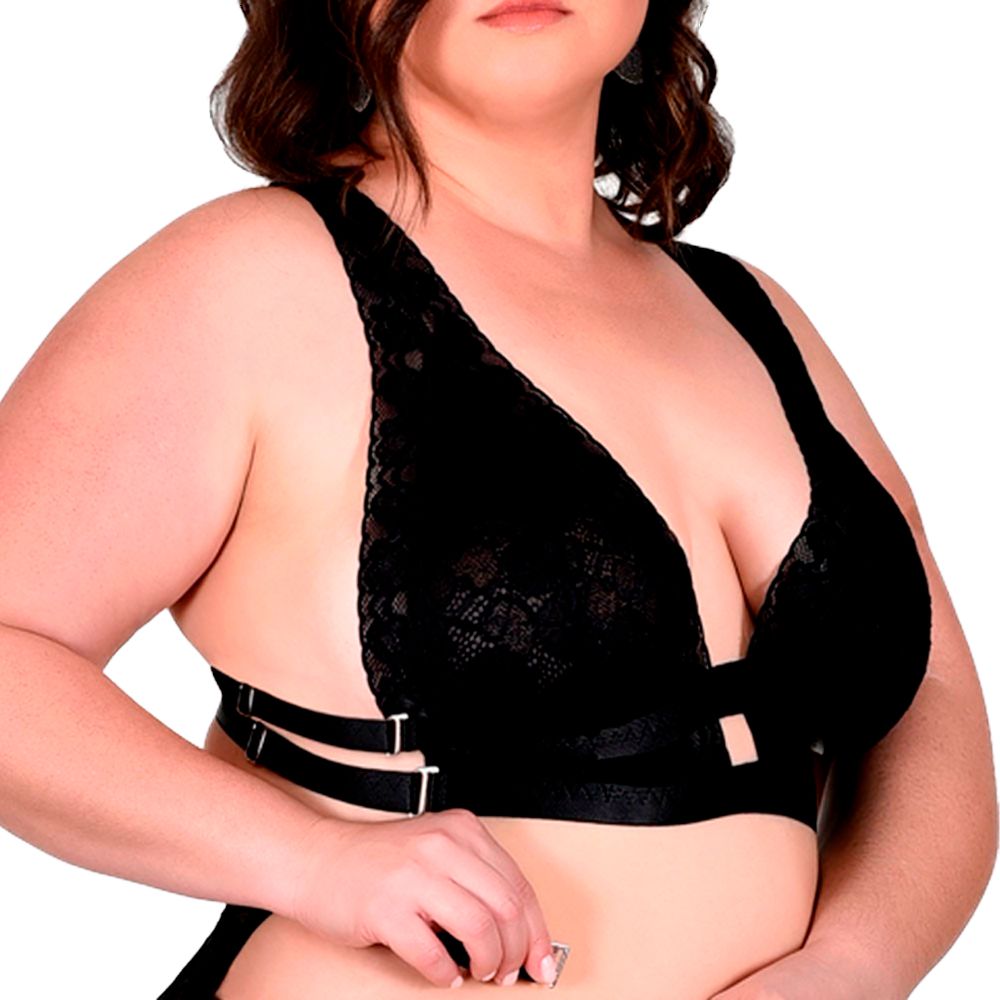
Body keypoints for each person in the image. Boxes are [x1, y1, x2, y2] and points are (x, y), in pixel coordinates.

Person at [0, 1, 995, 997]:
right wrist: (310, 861)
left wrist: (850, 965)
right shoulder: (248, 280)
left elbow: (932, 701)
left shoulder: (758, 317)